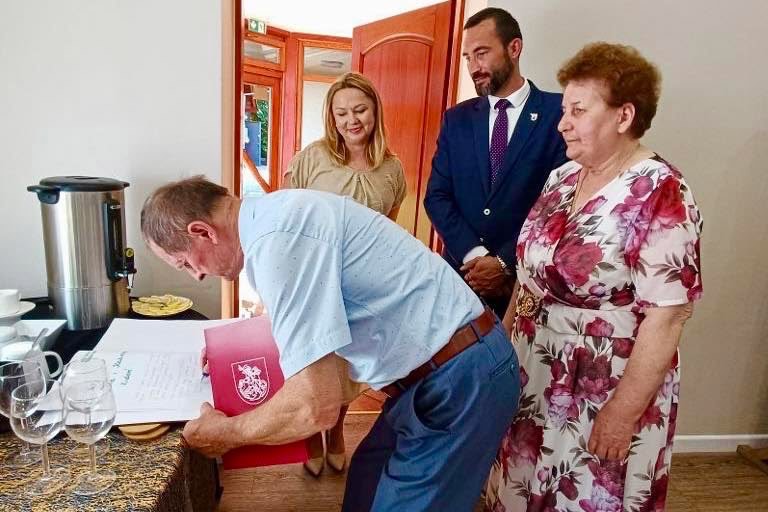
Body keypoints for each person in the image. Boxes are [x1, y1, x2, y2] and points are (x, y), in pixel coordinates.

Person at [140, 177, 520, 511]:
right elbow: (312, 324)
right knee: (363, 492)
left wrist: (225, 435)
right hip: (435, 373)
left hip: (461, 379)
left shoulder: (277, 243)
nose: (197, 276)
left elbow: (315, 408)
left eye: (185, 263)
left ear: (202, 232)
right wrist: (232, 354)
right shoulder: (274, 220)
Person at [485, 42, 703, 511]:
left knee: (583, 496)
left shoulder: (661, 190)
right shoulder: (562, 178)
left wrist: (622, 413)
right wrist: (500, 351)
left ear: (624, 116)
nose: (562, 123)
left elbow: (668, 315)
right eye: (564, 110)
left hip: (602, 385)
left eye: (578, 110)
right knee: (520, 491)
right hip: (533, 368)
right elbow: (529, 276)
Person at [283, 71, 406, 476]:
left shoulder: (392, 169)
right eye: (341, 113)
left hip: (359, 285)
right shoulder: (312, 158)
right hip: (310, 280)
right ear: (331, 118)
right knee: (310, 360)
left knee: (348, 365)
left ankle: (335, 432)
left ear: (375, 111)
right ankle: (308, 435)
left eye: (360, 110)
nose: (351, 120)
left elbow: (387, 230)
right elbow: (284, 215)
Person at [424, 7, 567, 318]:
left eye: (482, 53)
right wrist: (475, 256)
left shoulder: (559, 114)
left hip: (526, 289)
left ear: (514, 48)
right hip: (461, 284)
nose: (473, 67)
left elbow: (558, 205)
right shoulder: (456, 119)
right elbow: (436, 196)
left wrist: (503, 263)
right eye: (467, 58)